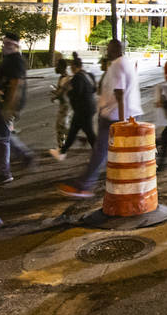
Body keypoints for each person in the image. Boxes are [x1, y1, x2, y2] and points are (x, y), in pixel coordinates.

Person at [57, 39, 143, 199]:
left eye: (109, 49)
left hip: (115, 117)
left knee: (101, 151)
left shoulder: (118, 65)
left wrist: (122, 123)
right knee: (108, 151)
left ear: (115, 50)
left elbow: (119, 93)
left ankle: (84, 186)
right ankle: (127, 182)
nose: (106, 52)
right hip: (117, 114)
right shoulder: (123, 62)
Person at [0, 32, 34, 184]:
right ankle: (25, 155)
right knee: (4, 135)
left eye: (8, 44)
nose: (4, 47)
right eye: (4, 44)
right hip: (1, 105)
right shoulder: (10, 60)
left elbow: (16, 84)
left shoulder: (15, 61)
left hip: (5, 106)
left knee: (2, 139)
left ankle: (5, 172)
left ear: (15, 45)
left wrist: (9, 107)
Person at [50, 55, 97, 160]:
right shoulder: (89, 75)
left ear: (76, 66)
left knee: (88, 133)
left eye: (72, 66)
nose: (71, 68)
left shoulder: (77, 77)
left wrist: (69, 91)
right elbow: (94, 89)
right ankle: (62, 152)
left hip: (83, 109)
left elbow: (76, 93)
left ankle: (100, 155)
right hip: (89, 107)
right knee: (73, 131)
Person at [50, 57, 73, 150]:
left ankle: (63, 146)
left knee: (60, 127)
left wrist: (55, 96)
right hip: (65, 105)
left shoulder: (65, 78)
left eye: (57, 65)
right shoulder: (63, 77)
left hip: (66, 106)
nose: (55, 67)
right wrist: (55, 91)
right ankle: (62, 146)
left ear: (62, 67)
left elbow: (62, 92)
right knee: (62, 127)